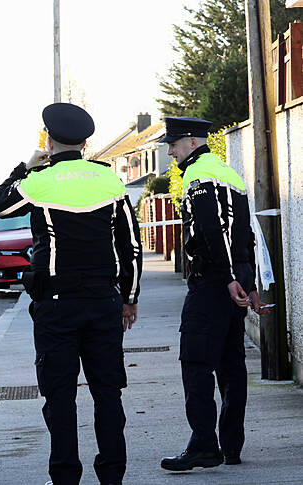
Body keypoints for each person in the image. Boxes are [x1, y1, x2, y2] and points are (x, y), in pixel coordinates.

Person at [0, 103, 143, 485]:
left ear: (49, 140)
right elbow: (131, 247)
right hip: (104, 304)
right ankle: (111, 475)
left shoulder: (40, 181)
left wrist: (27, 165)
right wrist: (129, 297)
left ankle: (65, 477)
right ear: (87, 142)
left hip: (56, 306)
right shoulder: (109, 182)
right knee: (108, 393)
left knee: (60, 396)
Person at [158, 117, 270, 472]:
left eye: (174, 144)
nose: (170, 150)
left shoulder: (199, 175)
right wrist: (247, 282)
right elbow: (244, 235)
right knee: (231, 366)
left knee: (195, 362)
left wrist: (227, 280)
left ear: (192, 143)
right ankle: (231, 445)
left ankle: (204, 445)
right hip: (231, 284)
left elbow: (214, 231)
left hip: (212, 285)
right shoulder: (229, 174)